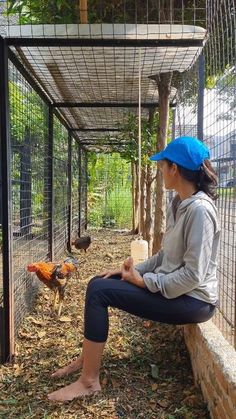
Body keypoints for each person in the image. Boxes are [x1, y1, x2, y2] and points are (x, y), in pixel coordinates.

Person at [48, 136, 220, 402]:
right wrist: (129, 271)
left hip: (193, 301)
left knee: (98, 294)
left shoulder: (199, 212)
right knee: (97, 282)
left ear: (174, 169)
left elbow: (193, 276)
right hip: (175, 291)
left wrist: (145, 282)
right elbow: (165, 256)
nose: (160, 172)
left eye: (162, 166)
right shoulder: (179, 203)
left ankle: (89, 381)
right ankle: (86, 360)